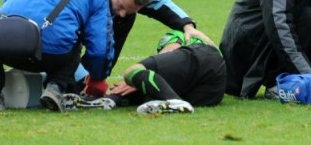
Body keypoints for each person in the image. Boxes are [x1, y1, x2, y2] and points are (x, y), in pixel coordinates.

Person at [60, 0, 214, 96]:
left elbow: (163, 5)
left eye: (130, 9)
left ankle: (89, 83)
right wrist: (82, 77)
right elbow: (63, 38)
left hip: (100, 6)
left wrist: (188, 26)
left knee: (122, 23)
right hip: (66, 13)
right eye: (120, 5)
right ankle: (71, 81)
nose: (122, 13)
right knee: (68, 55)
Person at [74, 30, 225, 114]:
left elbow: (170, 51)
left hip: (202, 57)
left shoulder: (179, 35)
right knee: (152, 92)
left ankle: (174, 102)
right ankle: (111, 100)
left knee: (132, 72)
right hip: (215, 87)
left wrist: (136, 78)